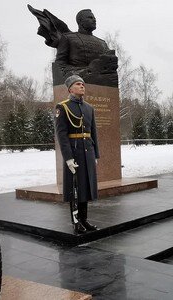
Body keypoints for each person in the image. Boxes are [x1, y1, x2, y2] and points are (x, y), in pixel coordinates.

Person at [55, 75, 99, 234]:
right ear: (70, 89)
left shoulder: (89, 108)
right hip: (74, 154)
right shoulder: (63, 107)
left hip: (88, 152)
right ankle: (76, 222)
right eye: (78, 84)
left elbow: (93, 132)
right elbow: (62, 135)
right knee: (75, 188)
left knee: (85, 188)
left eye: (83, 84)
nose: (82, 86)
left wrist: (96, 155)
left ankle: (84, 220)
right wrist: (68, 158)